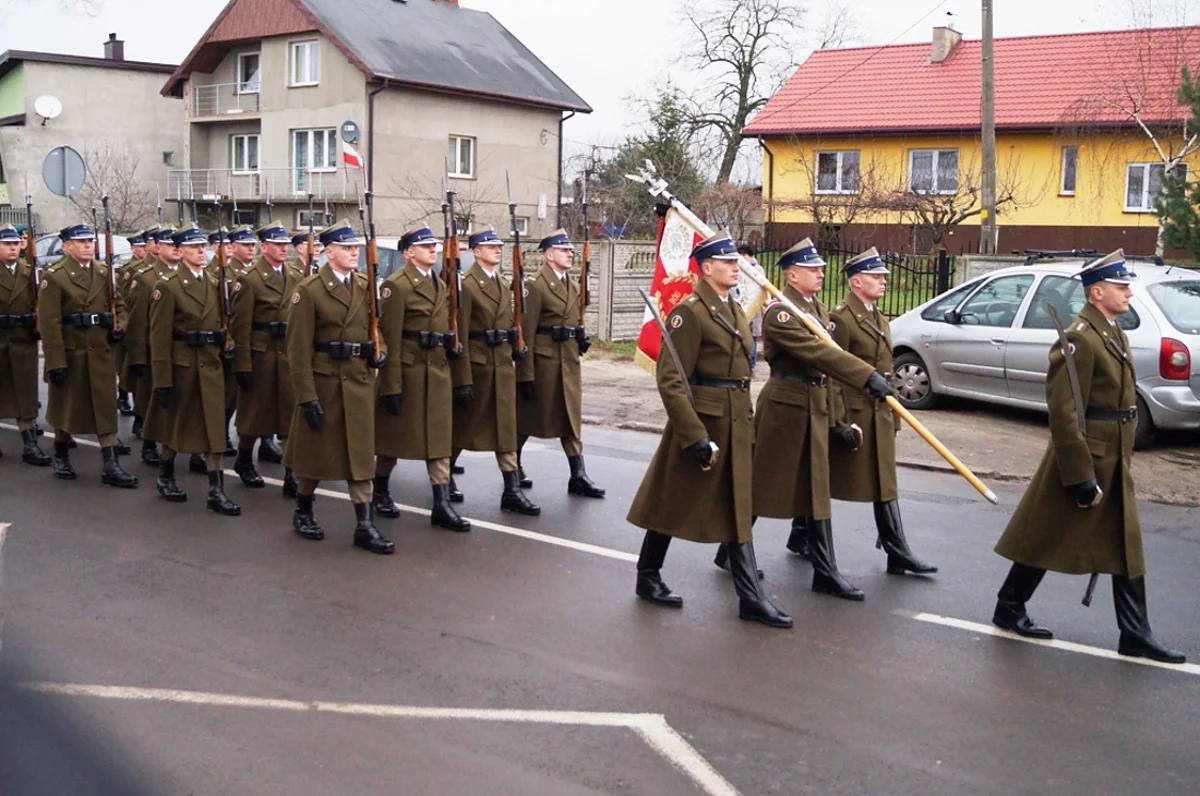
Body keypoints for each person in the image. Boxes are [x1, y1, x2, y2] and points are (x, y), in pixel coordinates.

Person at [991, 250, 1185, 664]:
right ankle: (1009, 606)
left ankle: (1134, 633)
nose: (1129, 292)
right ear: (1097, 293)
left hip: (1114, 453)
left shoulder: (1113, 330)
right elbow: (1063, 410)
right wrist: (1079, 472)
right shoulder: (1081, 337)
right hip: (1088, 454)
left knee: (1125, 540)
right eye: (1120, 286)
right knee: (1045, 534)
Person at [627, 231, 792, 628]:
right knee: (670, 502)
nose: (737, 267)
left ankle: (749, 597)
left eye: (737, 261)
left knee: (738, 504)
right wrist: (694, 435)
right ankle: (648, 575)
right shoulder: (690, 313)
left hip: (736, 418)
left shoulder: (731, 307)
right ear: (706, 268)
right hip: (704, 421)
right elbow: (671, 380)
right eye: (728, 262)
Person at [725, 238, 893, 601]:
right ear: (791, 275)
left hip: (815, 404)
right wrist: (865, 375)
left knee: (816, 487)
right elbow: (820, 353)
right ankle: (730, 549)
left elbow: (827, 369)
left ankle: (825, 571)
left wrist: (838, 419)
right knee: (763, 484)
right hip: (785, 408)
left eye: (820, 268)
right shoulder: (781, 313)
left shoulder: (816, 309)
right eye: (812, 269)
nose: (821, 274)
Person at [283, 220, 392, 554]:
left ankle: (365, 524)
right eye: (346, 248)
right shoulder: (310, 290)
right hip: (325, 382)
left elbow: (376, 329)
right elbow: (297, 349)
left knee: (360, 458)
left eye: (355, 247)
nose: (353, 252)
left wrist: (380, 352)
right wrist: (306, 398)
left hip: (358, 382)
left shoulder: (364, 284)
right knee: (317, 457)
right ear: (329, 252)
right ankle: (303, 508)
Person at [828, 248, 937, 577]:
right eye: (876, 277)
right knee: (820, 478)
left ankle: (896, 550)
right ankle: (802, 532)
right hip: (855, 412)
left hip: (880, 411)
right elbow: (832, 370)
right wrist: (838, 420)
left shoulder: (878, 317)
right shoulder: (841, 319)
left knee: (884, 482)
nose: (883, 281)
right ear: (856, 281)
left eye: (884, 277)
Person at [373, 226, 470, 532]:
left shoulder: (440, 284)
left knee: (439, 440)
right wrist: (391, 386)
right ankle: (379, 488)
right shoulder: (396, 285)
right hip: (410, 372)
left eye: (434, 246)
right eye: (425, 246)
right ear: (408, 252)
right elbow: (389, 338)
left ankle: (441, 503)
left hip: (437, 371)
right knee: (394, 439)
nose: (433, 250)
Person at [145, 226, 240, 515]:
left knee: (213, 428)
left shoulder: (214, 281)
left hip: (210, 363)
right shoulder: (169, 286)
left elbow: (224, 322)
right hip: (183, 365)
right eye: (195, 247)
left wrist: (228, 342)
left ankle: (216, 490)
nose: (202, 251)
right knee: (178, 425)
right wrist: (162, 379)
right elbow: (158, 337)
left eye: (203, 246)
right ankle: (165, 474)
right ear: (180, 251)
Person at [36, 223, 138, 487]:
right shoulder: (55, 276)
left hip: (100, 351)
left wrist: (119, 326)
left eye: (90, 241)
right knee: (67, 407)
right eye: (80, 242)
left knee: (105, 408)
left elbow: (122, 307)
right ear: (67, 246)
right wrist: (55, 361)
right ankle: (60, 454)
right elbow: (50, 323)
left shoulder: (104, 273)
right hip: (72, 352)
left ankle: (110, 463)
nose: (87, 246)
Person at [446, 227, 539, 515]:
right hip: (478, 366)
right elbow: (459, 334)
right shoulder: (467, 284)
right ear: (476, 251)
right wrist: (462, 378)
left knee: (506, 428)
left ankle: (510, 489)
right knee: (464, 427)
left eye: (499, 245)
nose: (497, 249)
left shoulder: (502, 282)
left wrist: (515, 345)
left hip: (502, 365)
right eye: (490, 246)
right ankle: (443, 475)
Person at [515, 228, 604, 498]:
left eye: (571, 251)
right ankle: (513, 464)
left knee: (571, 419)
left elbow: (573, 321)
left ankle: (578, 474)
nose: (570, 254)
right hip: (544, 363)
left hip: (567, 361)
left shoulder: (573, 285)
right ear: (548, 254)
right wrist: (524, 374)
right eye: (564, 250)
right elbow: (525, 334)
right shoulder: (534, 286)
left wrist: (580, 338)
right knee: (527, 420)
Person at [228, 223, 303, 494]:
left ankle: (292, 473)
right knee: (254, 415)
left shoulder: (295, 276)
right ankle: (244, 459)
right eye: (277, 243)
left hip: (287, 354)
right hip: (262, 355)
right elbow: (240, 327)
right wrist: (243, 363)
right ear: (264, 246)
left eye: (286, 244)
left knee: (290, 415)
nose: (284, 248)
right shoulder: (250, 279)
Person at [124, 226, 177, 465]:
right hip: (151, 348)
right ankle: (149, 443)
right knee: (151, 399)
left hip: (181, 349)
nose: (175, 249)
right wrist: (136, 356)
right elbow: (136, 321)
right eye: (169, 244)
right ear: (157, 246)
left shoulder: (195, 275)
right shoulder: (145, 278)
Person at [0, 224, 50, 465]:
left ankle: (30, 444)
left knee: (26, 394)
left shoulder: (30, 272)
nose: (12, 248)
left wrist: (37, 321)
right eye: (6, 244)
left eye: (15, 244)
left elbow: (43, 305)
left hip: (23, 341)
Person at [115, 232, 148, 417]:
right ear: (133, 248)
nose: (143, 250)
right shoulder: (126, 270)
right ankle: (123, 395)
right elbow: (124, 298)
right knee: (124, 364)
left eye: (145, 246)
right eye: (140, 247)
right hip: (130, 320)